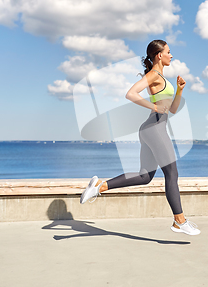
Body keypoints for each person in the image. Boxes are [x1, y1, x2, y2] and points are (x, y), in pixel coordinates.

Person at [80, 40, 200, 236]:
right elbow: (131, 93)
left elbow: (173, 109)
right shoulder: (153, 75)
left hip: (152, 128)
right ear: (159, 55)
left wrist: (179, 90)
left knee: (145, 177)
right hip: (155, 129)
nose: (172, 55)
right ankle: (179, 221)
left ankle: (99, 186)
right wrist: (153, 107)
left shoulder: (161, 78)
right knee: (172, 174)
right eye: (169, 52)